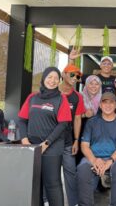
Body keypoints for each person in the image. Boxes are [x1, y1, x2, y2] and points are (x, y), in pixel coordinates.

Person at [18, 67, 72, 206]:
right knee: (35, 184)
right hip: (31, 146)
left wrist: (46, 144)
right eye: (49, 77)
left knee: (52, 184)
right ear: (44, 78)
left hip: (52, 147)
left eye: (56, 78)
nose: (52, 80)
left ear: (59, 81)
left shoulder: (61, 99)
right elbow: (22, 120)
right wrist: (25, 140)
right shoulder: (32, 97)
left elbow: (63, 125)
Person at [77, 92, 116, 206]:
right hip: (93, 157)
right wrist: (94, 160)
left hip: (113, 158)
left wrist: (110, 160)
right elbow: (84, 145)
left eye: (111, 103)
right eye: (105, 103)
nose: (108, 105)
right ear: (100, 105)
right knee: (82, 168)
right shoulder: (92, 122)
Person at [59, 64, 86, 206]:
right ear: (63, 74)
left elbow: (77, 119)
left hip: (68, 141)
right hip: (49, 142)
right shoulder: (52, 92)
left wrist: (76, 140)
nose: (75, 78)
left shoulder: (78, 97)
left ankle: (74, 203)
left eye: (77, 76)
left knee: (70, 172)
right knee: (48, 173)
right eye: (72, 74)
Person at [77, 75, 102, 164]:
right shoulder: (79, 97)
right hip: (81, 132)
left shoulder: (103, 100)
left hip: (98, 135)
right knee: (80, 160)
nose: (94, 86)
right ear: (86, 84)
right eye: (91, 83)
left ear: (100, 86)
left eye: (97, 84)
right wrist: (84, 115)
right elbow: (71, 116)